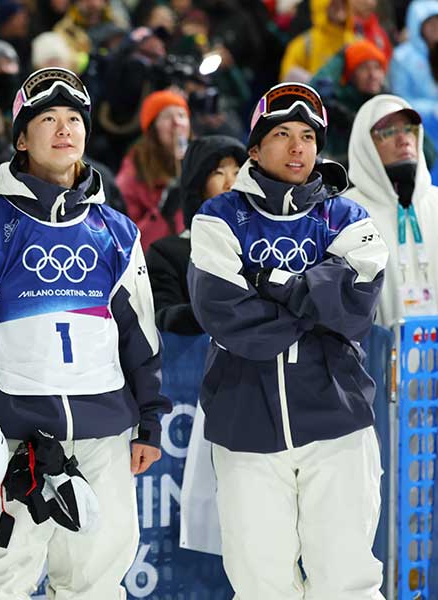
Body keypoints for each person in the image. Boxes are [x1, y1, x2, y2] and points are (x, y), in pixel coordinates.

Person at [0, 67, 171, 599]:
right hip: (11, 435)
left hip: (103, 433)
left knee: (96, 577)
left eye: (74, 119)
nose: (64, 129)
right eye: (47, 119)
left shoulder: (117, 231)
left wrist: (149, 421)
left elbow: (140, 335)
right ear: (21, 138)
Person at [187, 82, 387, 598]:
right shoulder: (217, 219)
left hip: (337, 424)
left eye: (307, 136)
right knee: (260, 584)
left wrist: (270, 282)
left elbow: (356, 307)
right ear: (254, 149)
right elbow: (226, 317)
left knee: (346, 580)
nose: (298, 147)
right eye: (281, 134)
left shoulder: (348, 216)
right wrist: (316, 303)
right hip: (245, 424)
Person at [347, 94, 438, 325]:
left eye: (409, 130)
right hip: (377, 357)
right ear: (365, 145)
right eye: (388, 132)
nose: (403, 139)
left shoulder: (435, 203)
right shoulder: (347, 213)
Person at [146, 135, 246, 335]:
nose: (231, 184)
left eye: (238, 173)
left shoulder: (260, 245)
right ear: (197, 184)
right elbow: (160, 318)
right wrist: (216, 312)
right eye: (219, 173)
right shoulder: (166, 253)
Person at [116, 90, 192, 250]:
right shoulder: (134, 171)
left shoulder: (200, 159)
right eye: (166, 117)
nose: (176, 123)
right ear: (152, 129)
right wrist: (162, 213)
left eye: (181, 115)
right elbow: (127, 241)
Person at [311, 38, 389, 166]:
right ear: (351, 75)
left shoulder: (388, 103)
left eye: (377, 68)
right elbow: (312, 94)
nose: (372, 75)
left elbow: (428, 153)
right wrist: (340, 58)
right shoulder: (334, 106)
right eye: (364, 68)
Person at [389, 1, 438, 144]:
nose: (436, 28)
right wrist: (432, 109)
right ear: (417, 25)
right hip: (418, 129)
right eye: (430, 23)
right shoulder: (403, 57)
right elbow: (399, 99)